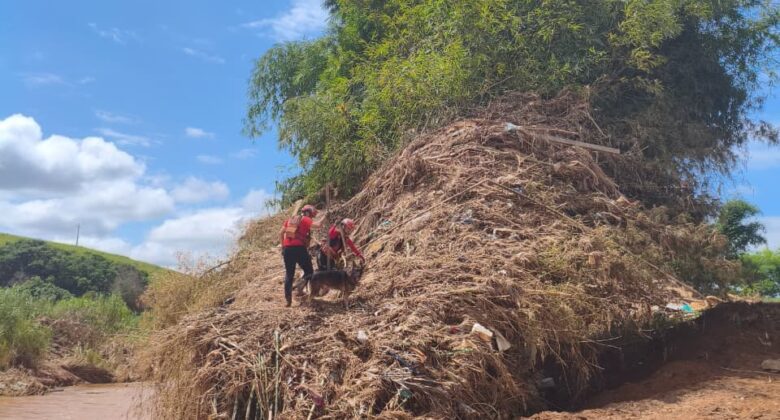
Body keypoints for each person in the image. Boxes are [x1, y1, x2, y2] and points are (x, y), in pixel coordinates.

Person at [280, 204, 323, 307]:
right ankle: (302, 288)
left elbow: (280, 233)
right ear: (308, 212)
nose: (311, 218)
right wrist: (326, 216)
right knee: (309, 271)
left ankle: (288, 300)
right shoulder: (305, 219)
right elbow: (318, 226)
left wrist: (283, 247)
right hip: (299, 249)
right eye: (312, 215)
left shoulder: (290, 220)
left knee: (289, 275)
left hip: (287, 250)